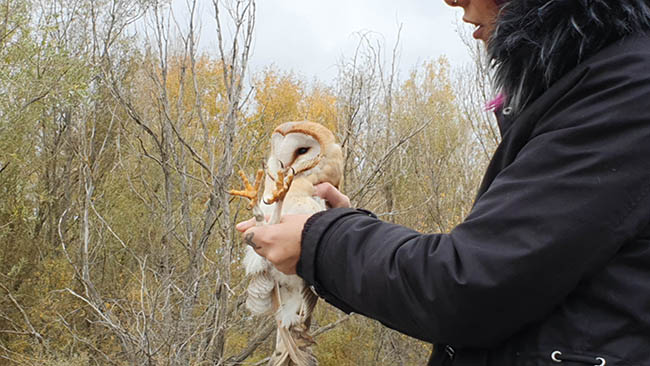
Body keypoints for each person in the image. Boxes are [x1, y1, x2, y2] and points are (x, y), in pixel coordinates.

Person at [237, 0, 650, 364]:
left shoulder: (626, 89)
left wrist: (322, 242)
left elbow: (472, 288)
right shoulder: (589, 89)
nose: (452, 1)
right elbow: (509, 272)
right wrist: (340, 229)